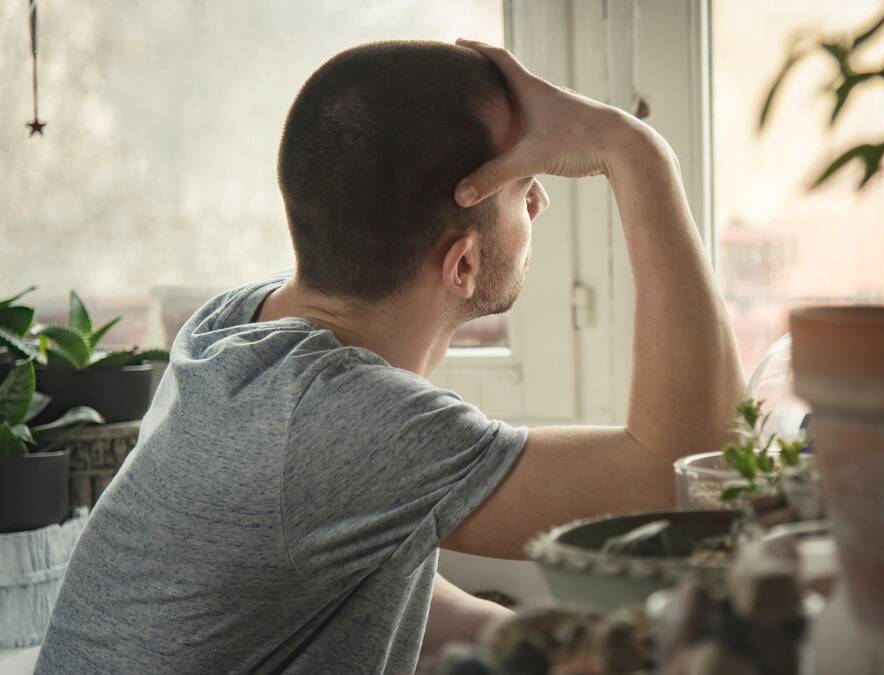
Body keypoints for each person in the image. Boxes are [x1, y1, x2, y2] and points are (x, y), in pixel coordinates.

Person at [36, 39, 743, 674]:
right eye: (526, 186)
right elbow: (685, 470)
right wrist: (637, 152)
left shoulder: (237, 329)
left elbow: (363, 568)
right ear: (462, 265)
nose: (541, 205)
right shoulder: (336, 419)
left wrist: (556, 645)